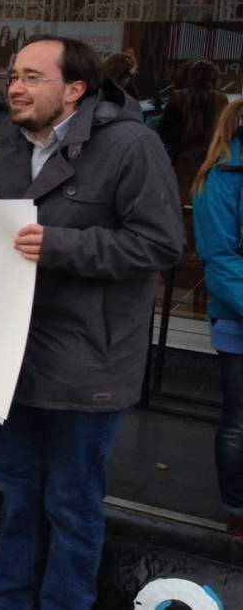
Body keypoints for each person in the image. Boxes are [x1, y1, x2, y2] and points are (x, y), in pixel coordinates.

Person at [0, 36, 183, 610]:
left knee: (71, 507)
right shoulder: (10, 145)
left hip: (88, 361)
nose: (15, 88)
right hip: (13, 358)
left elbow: (161, 243)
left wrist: (62, 246)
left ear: (74, 90)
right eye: (13, 76)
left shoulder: (131, 147)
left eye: (31, 77)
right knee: (19, 497)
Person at [191, 99, 243, 539]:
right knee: (239, 424)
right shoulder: (223, 176)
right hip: (238, 323)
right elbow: (219, 257)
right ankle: (238, 516)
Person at [158, 59, 229, 202]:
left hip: (180, 159)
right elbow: (225, 131)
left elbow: (164, 130)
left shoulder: (177, 97)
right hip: (210, 161)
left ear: (191, 76)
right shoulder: (221, 99)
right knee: (203, 200)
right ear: (214, 77)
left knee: (178, 201)